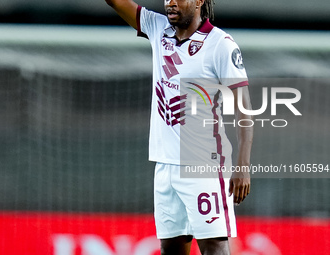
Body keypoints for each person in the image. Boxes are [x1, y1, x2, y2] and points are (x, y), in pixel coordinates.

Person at [104, 0, 253, 254]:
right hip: (164, 166)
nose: (170, 2)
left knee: (214, 247)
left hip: (204, 166)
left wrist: (243, 166)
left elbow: (244, 110)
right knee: (172, 249)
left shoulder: (220, 45)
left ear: (199, 1)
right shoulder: (157, 28)